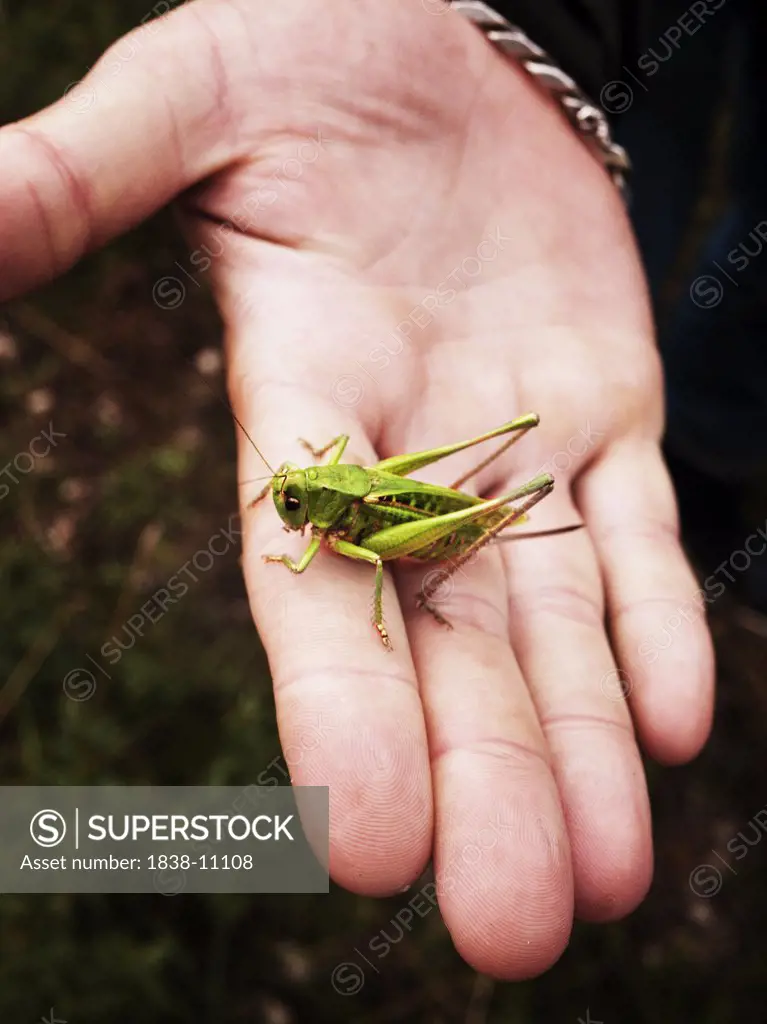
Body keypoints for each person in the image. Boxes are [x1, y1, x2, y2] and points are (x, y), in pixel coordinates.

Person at [0, 0, 714, 980]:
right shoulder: (317, 488)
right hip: (593, 50)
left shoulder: (349, 526)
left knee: (431, 531)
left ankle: (652, 459)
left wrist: (381, 596)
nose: (291, 508)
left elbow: (373, 565)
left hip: (422, 522)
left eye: (296, 505)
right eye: (293, 499)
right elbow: (313, 499)